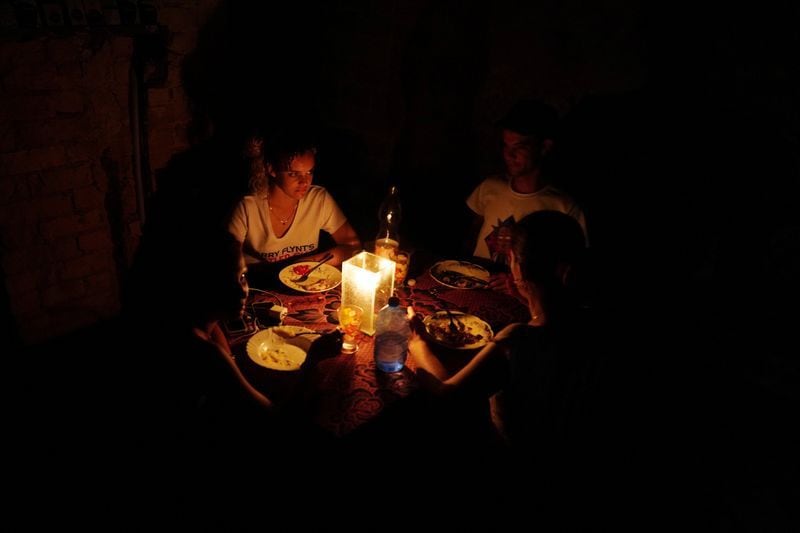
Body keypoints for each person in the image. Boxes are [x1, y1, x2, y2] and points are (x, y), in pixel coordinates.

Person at [408, 211, 599, 472]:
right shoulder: (591, 322)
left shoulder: (519, 340)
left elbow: (448, 397)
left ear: (515, 266)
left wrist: (419, 345)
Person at [465, 99, 587, 268]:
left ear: (544, 147)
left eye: (520, 147)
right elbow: (473, 231)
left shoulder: (564, 207)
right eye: (506, 146)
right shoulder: (490, 187)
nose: (509, 154)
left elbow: (572, 263)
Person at [228, 128, 361, 281]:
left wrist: (304, 264)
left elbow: (352, 245)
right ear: (271, 169)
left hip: (302, 283)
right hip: (260, 287)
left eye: (309, 172)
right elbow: (226, 262)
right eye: (293, 174)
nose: (305, 182)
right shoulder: (247, 207)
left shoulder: (318, 200)